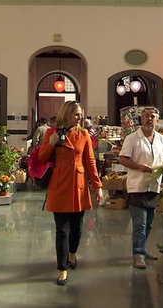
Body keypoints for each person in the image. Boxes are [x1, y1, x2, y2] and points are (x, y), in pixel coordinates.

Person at [38, 101, 104, 286]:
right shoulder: (51, 133)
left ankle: (73, 253)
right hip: (59, 185)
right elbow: (42, 158)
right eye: (76, 114)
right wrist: (50, 144)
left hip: (78, 184)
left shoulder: (83, 134)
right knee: (62, 229)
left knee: (77, 227)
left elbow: (90, 161)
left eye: (81, 114)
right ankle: (62, 268)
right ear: (66, 114)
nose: (80, 117)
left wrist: (97, 185)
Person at [118, 107, 163, 270]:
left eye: (153, 117)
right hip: (137, 186)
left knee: (148, 223)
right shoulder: (132, 138)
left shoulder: (162, 139)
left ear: (157, 120)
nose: (149, 119)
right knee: (139, 223)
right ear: (141, 119)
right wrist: (138, 166)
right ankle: (138, 254)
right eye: (146, 116)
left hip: (153, 187)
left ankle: (143, 249)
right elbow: (122, 158)